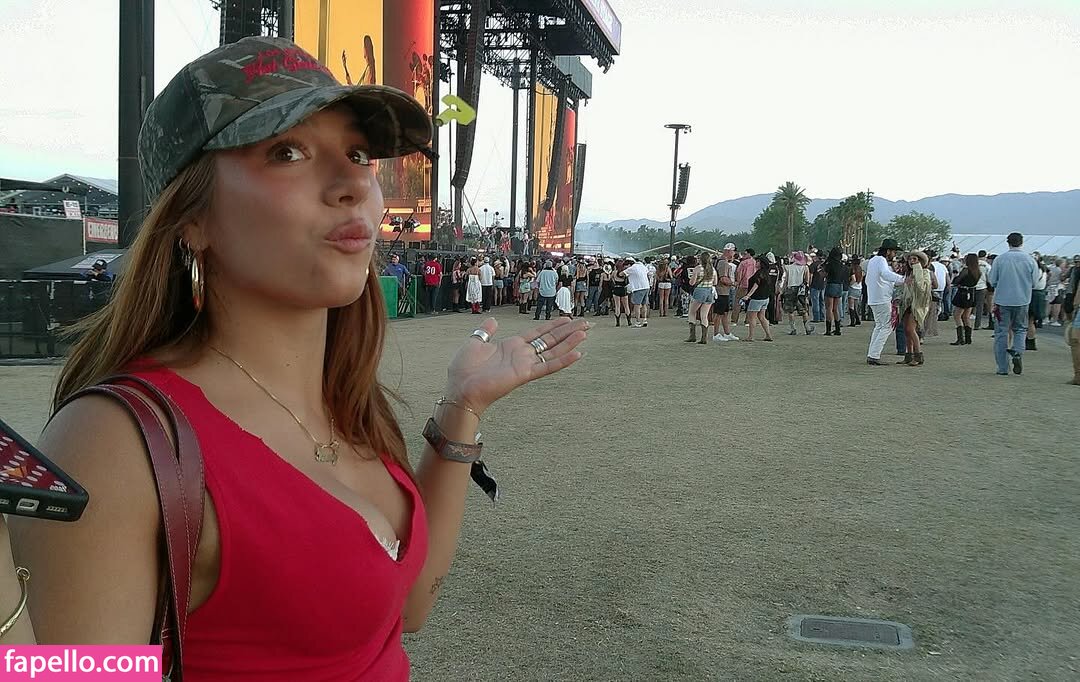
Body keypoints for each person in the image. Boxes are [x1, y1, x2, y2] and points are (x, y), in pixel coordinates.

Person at [0, 36, 589, 676]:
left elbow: (405, 607)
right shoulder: (118, 441)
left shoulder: (348, 402)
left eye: (358, 154)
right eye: (287, 152)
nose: (352, 182)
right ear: (191, 218)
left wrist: (462, 409)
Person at [988, 232, 1039, 376]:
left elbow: (992, 280)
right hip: (1022, 300)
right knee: (1020, 329)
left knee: (1001, 333)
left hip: (1002, 301)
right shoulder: (1030, 260)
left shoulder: (1000, 259)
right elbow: (1035, 282)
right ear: (1022, 242)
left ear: (1008, 242)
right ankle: (1017, 351)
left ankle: (1002, 367)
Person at [865, 239, 907, 365]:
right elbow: (885, 274)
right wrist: (903, 279)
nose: (894, 255)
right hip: (882, 298)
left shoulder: (873, 261)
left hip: (874, 297)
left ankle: (872, 353)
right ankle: (874, 355)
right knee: (887, 326)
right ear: (888, 251)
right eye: (893, 252)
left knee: (879, 326)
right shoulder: (881, 261)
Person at [898, 251, 932, 366]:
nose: (911, 261)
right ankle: (909, 355)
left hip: (918, 305)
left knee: (911, 329)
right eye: (910, 259)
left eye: (914, 259)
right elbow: (906, 290)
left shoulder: (925, 273)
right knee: (906, 330)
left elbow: (921, 288)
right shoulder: (909, 273)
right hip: (908, 304)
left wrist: (917, 269)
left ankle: (918, 355)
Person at [740, 255, 777, 342]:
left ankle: (751, 336)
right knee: (762, 317)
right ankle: (768, 335)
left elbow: (755, 286)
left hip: (757, 298)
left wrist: (748, 295)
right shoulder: (767, 273)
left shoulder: (759, 274)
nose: (756, 263)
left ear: (761, 263)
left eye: (758, 261)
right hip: (765, 298)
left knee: (752, 317)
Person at [949, 253, 981, 346]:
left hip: (963, 293)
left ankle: (960, 338)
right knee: (966, 316)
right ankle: (968, 338)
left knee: (957, 315)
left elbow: (957, 280)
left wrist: (955, 279)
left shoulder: (966, 270)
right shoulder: (978, 271)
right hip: (971, 292)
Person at [686, 252, 716, 345]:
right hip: (709, 291)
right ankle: (704, 338)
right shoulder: (713, 269)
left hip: (700, 290)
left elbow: (692, 283)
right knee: (704, 315)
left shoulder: (698, 268)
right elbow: (715, 282)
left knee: (692, 312)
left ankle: (692, 336)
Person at [782, 251, 812, 336]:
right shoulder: (805, 268)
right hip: (800, 290)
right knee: (803, 310)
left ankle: (793, 329)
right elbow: (807, 281)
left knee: (790, 310)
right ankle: (807, 328)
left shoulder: (788, 267)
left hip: (790, 289)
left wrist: (783, 290)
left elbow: (786, 280)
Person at [711, 249, 738, 341]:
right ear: (728, 252)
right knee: (718, 313)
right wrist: (733, 283)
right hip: (721, 291)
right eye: (733, 252)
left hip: (725, 291)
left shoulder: (722, 262)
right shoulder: (723, 263)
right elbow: (723, 278)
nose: (734, 254)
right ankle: (716, 334)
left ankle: (727, 333)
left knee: (725, 313)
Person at [732, 249, 758, 326]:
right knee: (750, 303)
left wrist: (738, 282)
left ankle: (734, 320)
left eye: (745, 253)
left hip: (743, 284)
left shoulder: (743, 263)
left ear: (749, 254)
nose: (744, 255)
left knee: (737, 302)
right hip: (752, 286)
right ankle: (747, 321)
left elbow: (739, 273)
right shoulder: (755, 263)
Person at [823, 247, 845, 336]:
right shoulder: (841, 264)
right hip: (839, 286)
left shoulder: (830, 264)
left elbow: (824, 273)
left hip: (831, 284)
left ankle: (828, 330)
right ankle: (837, 329)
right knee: (835, 309)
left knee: (829, 308)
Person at [624, 256, 650, 328]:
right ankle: (644, 320)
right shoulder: (643, 266)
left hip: (638, 288)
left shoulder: (632, 268)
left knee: (637, 305)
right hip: (646, 286)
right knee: (644, 304)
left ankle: (638, 322)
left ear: (629, 264)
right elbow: (647, 274)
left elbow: (621, 274)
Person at [847, 257, 864, 326]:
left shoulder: (853, 269)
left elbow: (853, 279)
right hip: (859, 288)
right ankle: (857, 319)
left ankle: (853, 321)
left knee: (851, 306)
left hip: (853, 288)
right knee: (856, 305)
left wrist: (849, 285)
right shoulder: (860, 270)